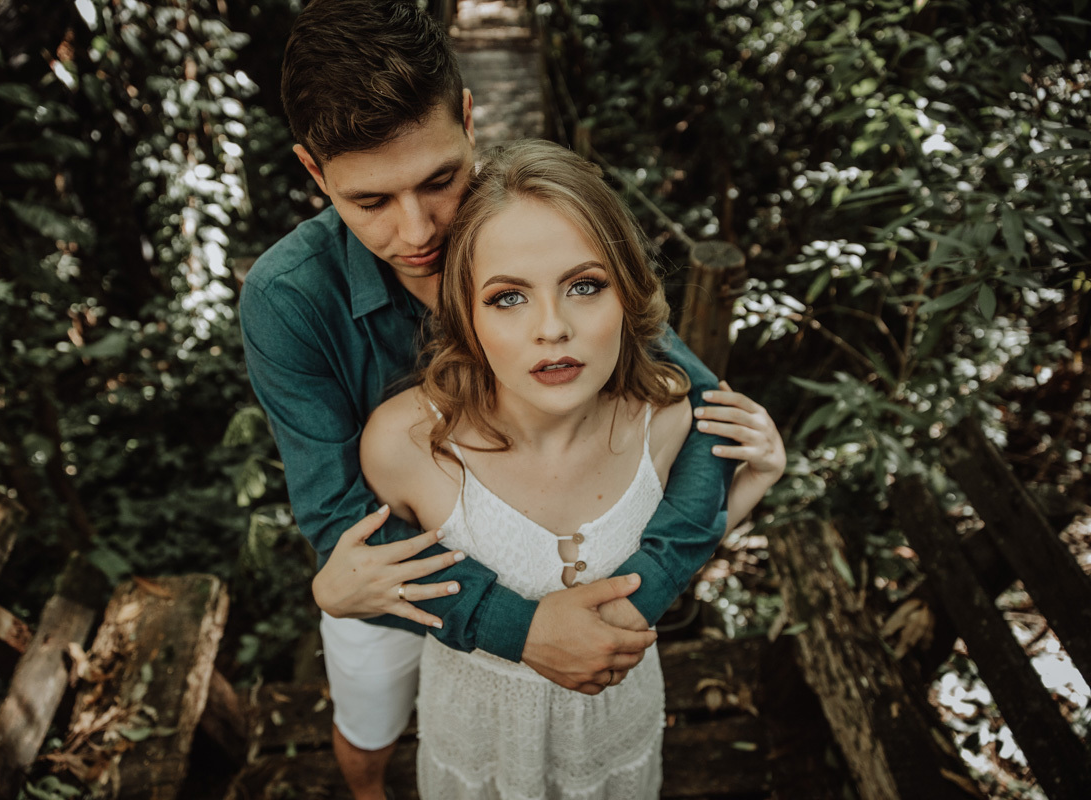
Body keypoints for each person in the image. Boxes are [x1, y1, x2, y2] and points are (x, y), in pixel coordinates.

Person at [239, 2, 756, 797]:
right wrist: (520, 632)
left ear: (471, 121)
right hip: (397, 575)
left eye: (440, 180)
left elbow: (695, 401)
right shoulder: (286, 297)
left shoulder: (531, 220)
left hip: (543, 541)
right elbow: (339, 520)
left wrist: (633, 600)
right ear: (314, 173)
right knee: (369, 715)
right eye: (369, 202)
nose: (418, 231)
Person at [360, 139, 786, 798]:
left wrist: (756, 478)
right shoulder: (408, 447)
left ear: (628, 294)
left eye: (585, 286)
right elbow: (379, 580)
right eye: (508, 298)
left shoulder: (670, 421)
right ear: (466, 314)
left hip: (615, 729)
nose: (552, 327)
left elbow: (685, 535)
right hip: (477, 743)